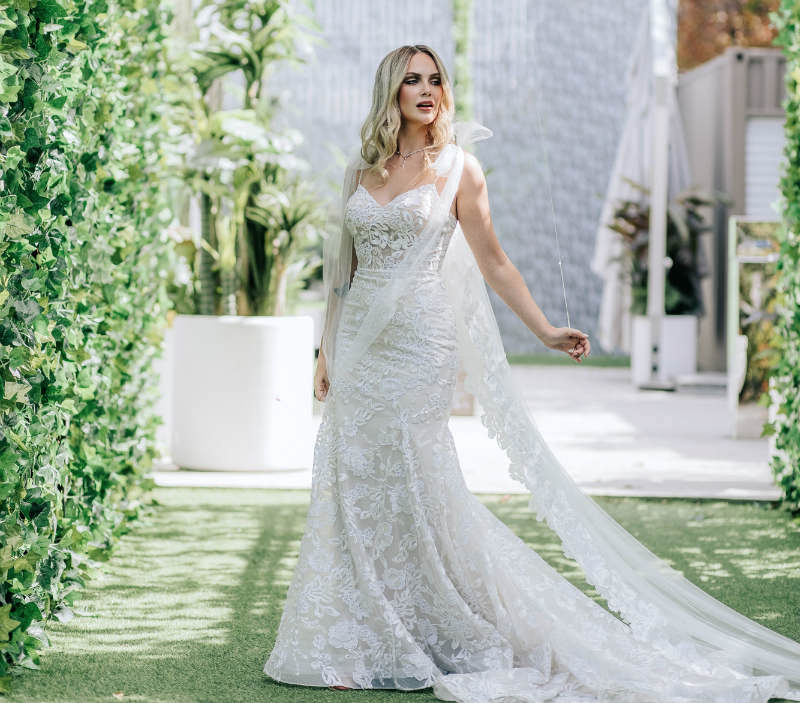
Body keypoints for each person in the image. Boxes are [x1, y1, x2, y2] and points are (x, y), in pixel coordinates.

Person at [264, 44, 800, 703]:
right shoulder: (360, 168)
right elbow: (343, 273)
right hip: (360, 348)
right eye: (413, 79)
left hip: (419, 345)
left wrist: (545, 327)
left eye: (436, 79)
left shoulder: (461, 168)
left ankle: (445, 625)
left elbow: (495, 264)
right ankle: (364, 631)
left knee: (415, 477)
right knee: (353, 473)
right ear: (391, 92)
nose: (427, 89)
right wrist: (325, 350)